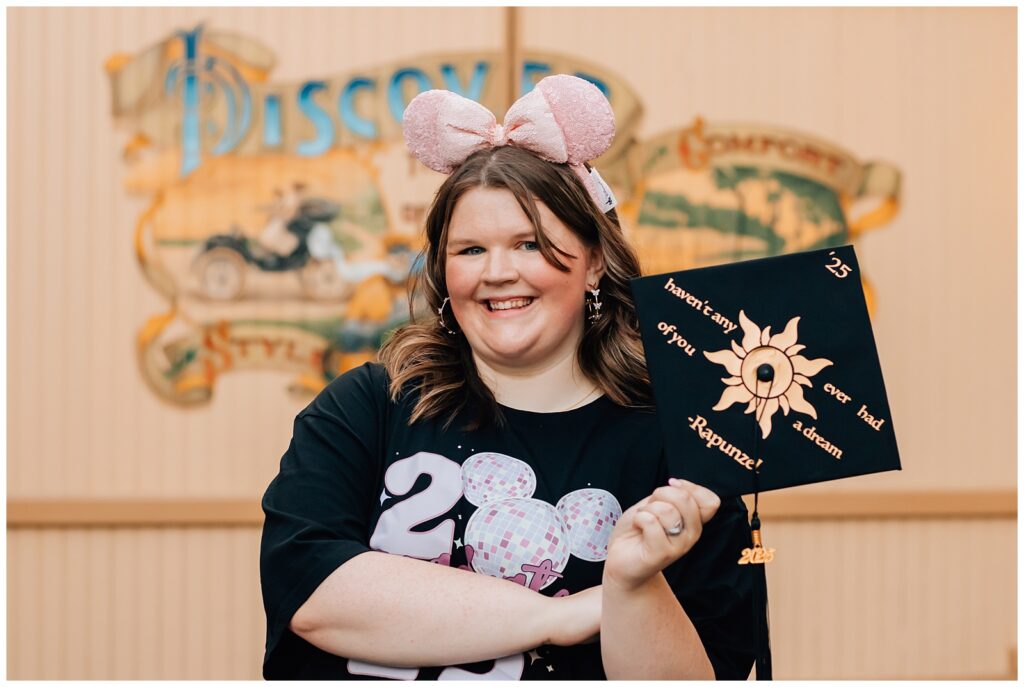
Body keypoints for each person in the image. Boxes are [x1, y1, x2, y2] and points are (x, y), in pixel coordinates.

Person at [260, 75, 763, 680]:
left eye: (529, 244)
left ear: (596, 260)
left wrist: (632, 586)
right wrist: (563, 617)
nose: (497, 273)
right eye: (470, 250)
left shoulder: (684, 445)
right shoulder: (368, 406)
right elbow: (314, 594)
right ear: (443, 274)